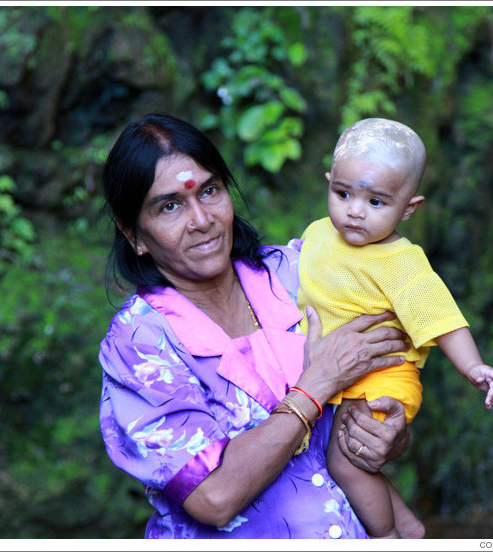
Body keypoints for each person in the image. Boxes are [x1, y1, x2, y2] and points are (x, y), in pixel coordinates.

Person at [98, 113, 425, 539]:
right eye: (171, 205)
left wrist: (389, 434)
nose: (202, 220)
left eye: (210, 191)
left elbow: (390, 368)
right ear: (135, 234)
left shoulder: (300, 274)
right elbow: (213, 497)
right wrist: (314, 387)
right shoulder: (140, 344)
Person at [296, 118, 493, 538]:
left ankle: (388, 538)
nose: (354, 210)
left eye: (376, 202)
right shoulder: (319, 232)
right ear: (329, 184)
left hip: (383, 375)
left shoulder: (401, 261)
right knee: (341, 453)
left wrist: (473, 367)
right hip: (339, 372)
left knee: (346, 459)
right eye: (342, 194)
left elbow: (441, 318)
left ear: (408, 208)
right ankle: (409, 527)